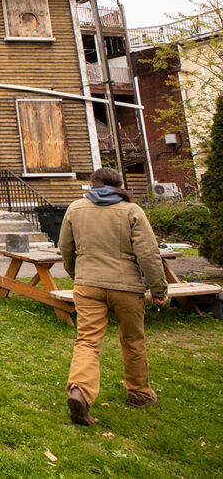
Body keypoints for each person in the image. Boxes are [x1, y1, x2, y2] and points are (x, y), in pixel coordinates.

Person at [58, 167, 168, 426]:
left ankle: (80, 392)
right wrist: (159, 290)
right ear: (119, 185)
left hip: (87, 285)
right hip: (126, 286)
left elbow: (65, 247)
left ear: (92, 184)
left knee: (87, 341)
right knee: (132, 339)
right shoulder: (132, 211)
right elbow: (149, 254)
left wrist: (76, 274)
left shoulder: (75, 209)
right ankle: (139, 393)